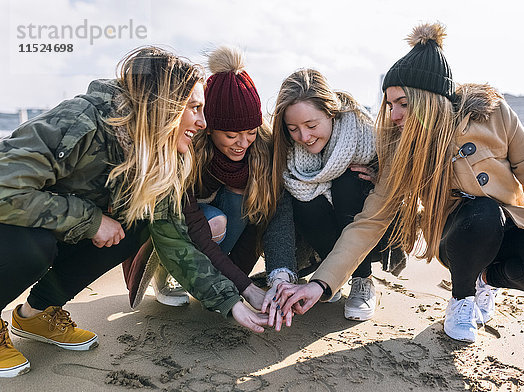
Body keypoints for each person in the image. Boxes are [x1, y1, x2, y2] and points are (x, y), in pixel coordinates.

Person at [276, 23, 524, 343]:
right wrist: (321, 284)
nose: (393, 114)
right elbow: (370, 221)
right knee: (482, 211)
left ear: (428, 99)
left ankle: (487, 278)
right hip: (457, 235)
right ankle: (462, 298)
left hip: (514, 223)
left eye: (402, 103)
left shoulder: (495, 115)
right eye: (389, 105)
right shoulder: (400, 147)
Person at [0, 46, 266, 378]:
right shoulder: (83, 120)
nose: (203, 121)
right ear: (164, 106)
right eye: (195, 108)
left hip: (58, 229)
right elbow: (4, 187)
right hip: (12, 224)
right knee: (35, 243)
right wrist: (91, 220)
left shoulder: (161, 156)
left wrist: (230, 301)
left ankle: (36, 315)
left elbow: (175, 241)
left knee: (136, 224)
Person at [151, 46, 296, 328]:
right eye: (231, 135)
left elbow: (269, 217)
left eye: (250, 133)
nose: (243, 143)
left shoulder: (262, 151)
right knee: (214, 222)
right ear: (209, 127)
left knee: (248, 196)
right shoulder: (187, 149)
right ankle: (166, 272)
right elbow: (194, 229)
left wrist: (249, 280)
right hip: (185, 230)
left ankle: (216, 278)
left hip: (226, 227)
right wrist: (244, 288)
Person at [269, 68, 385, 321]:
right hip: (320, 236)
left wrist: (380, 178)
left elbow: (401, 194)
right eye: (293, 128)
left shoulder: (367, 135)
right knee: (300, 194)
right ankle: (328, 274)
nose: (304, 137)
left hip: (373, 232)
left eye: (311, 125)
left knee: (349, 180)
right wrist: (280, 274)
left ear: (331, 113)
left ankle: (362, 280)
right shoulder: (287, 152)